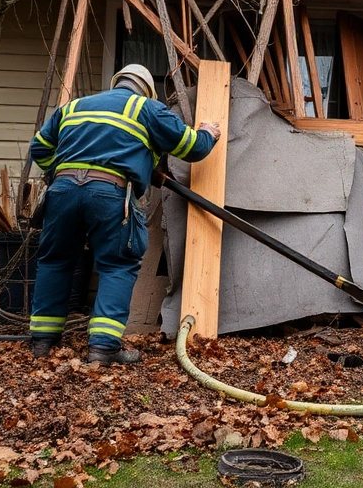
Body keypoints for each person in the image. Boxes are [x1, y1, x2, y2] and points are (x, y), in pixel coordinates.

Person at [28, 63, 221, 365]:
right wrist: (209, 133)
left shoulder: (73, 107)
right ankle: (103, 348)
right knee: (117, 265)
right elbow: (191, 147)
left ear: (116, 82)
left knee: (56, 261)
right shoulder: (146, 108)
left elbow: (39, 149)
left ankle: (42, 343)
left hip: (62, 191)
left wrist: (63, 175)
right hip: (111, 194)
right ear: (146, 89)